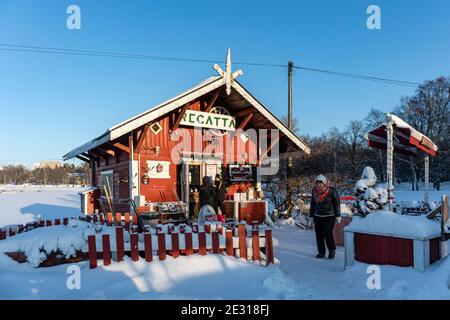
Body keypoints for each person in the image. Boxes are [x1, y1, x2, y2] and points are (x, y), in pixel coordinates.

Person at [310, 174, 341, 259]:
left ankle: (332, 250)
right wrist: (311, 215)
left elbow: (337, 203)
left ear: (324, 183)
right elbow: (312, 204)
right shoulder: (314, 191)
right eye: (317, 183)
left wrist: (338, 215)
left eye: (320, 183)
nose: (318, 185)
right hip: (317, 216)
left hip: (329, 216)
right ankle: (321, 252)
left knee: (327, 233)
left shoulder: (332, 191)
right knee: (319, 235)